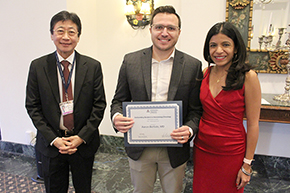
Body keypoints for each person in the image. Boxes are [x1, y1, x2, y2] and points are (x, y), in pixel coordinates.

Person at [110, 5, 203, 193]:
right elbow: (118, 101)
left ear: (179, 32)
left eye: (171, 28)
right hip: (140, 146)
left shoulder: (193, 65)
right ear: (150, 29)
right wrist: (116, 117)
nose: (164, 33)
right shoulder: (131, 61)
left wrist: (190, 129)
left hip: (174, 147)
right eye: (159, 27)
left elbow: (196, 110)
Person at [25, 10, 106, 193]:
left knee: (83, 188)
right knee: (54, 189)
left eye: (71, 31)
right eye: (60, 31)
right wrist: (54, 139)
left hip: (83, 143)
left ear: (78, 36)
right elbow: (33, 106)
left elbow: (99, 105)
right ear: (52, 34)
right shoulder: (38, 66)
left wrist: (80, 138)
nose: (66, 37)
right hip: (51, 144)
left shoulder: (92, 67)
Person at [192, 21, 261, 192]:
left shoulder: (248, 77)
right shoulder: (205, 74)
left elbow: (253, 124)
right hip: (203, 149)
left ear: (236, 48)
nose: (218, 50)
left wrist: (247, 165)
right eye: (213, 45)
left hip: (231, 153)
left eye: (226, 45)